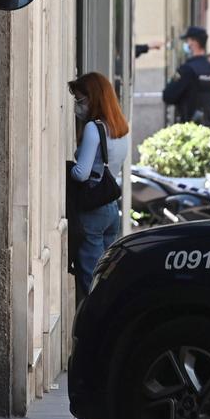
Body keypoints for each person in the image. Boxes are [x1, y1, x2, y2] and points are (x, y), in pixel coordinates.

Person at [68, 72, 131, 297]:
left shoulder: (93, 129)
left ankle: (97, 326)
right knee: (107, 276)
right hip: (111, 209)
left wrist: (68, 168)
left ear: (94, 98)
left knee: (91, 280)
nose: (77, 106)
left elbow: (81, 173)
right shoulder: (120, 127)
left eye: (80, 100)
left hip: (92, 212)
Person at [162, 26, 210, 125]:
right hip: (208, 124)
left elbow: (168, 95)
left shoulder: (187, 69)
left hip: (189, 124)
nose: (186, 44)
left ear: (194, 42)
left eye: (187, 41)